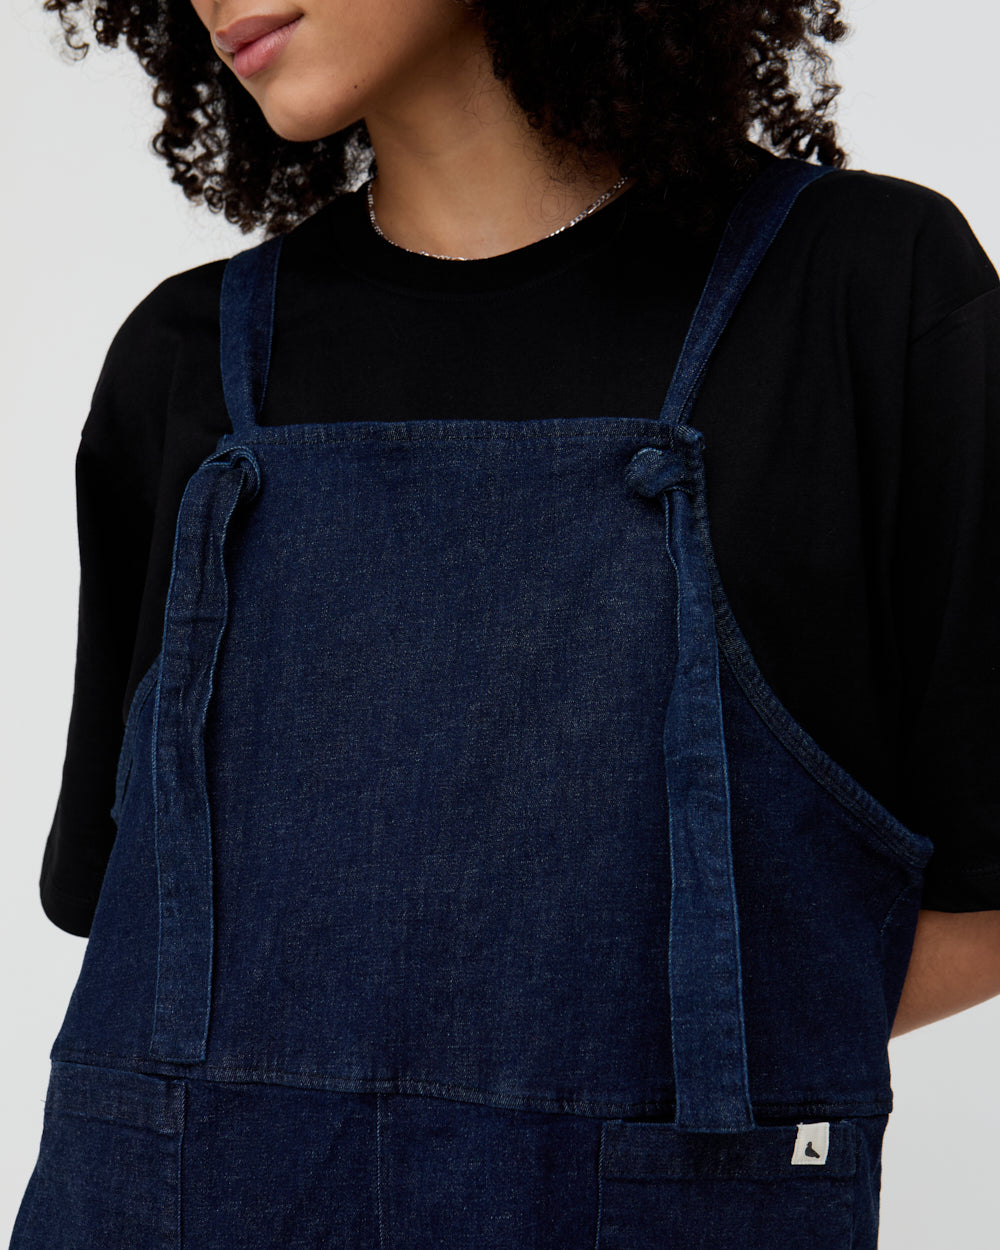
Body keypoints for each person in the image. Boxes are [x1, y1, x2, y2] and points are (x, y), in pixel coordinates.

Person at [11, 0, 1000, 1246]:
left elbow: (982, 894)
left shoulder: (865, 293)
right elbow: (133, 919)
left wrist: (605, 1072)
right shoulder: (186, 360)